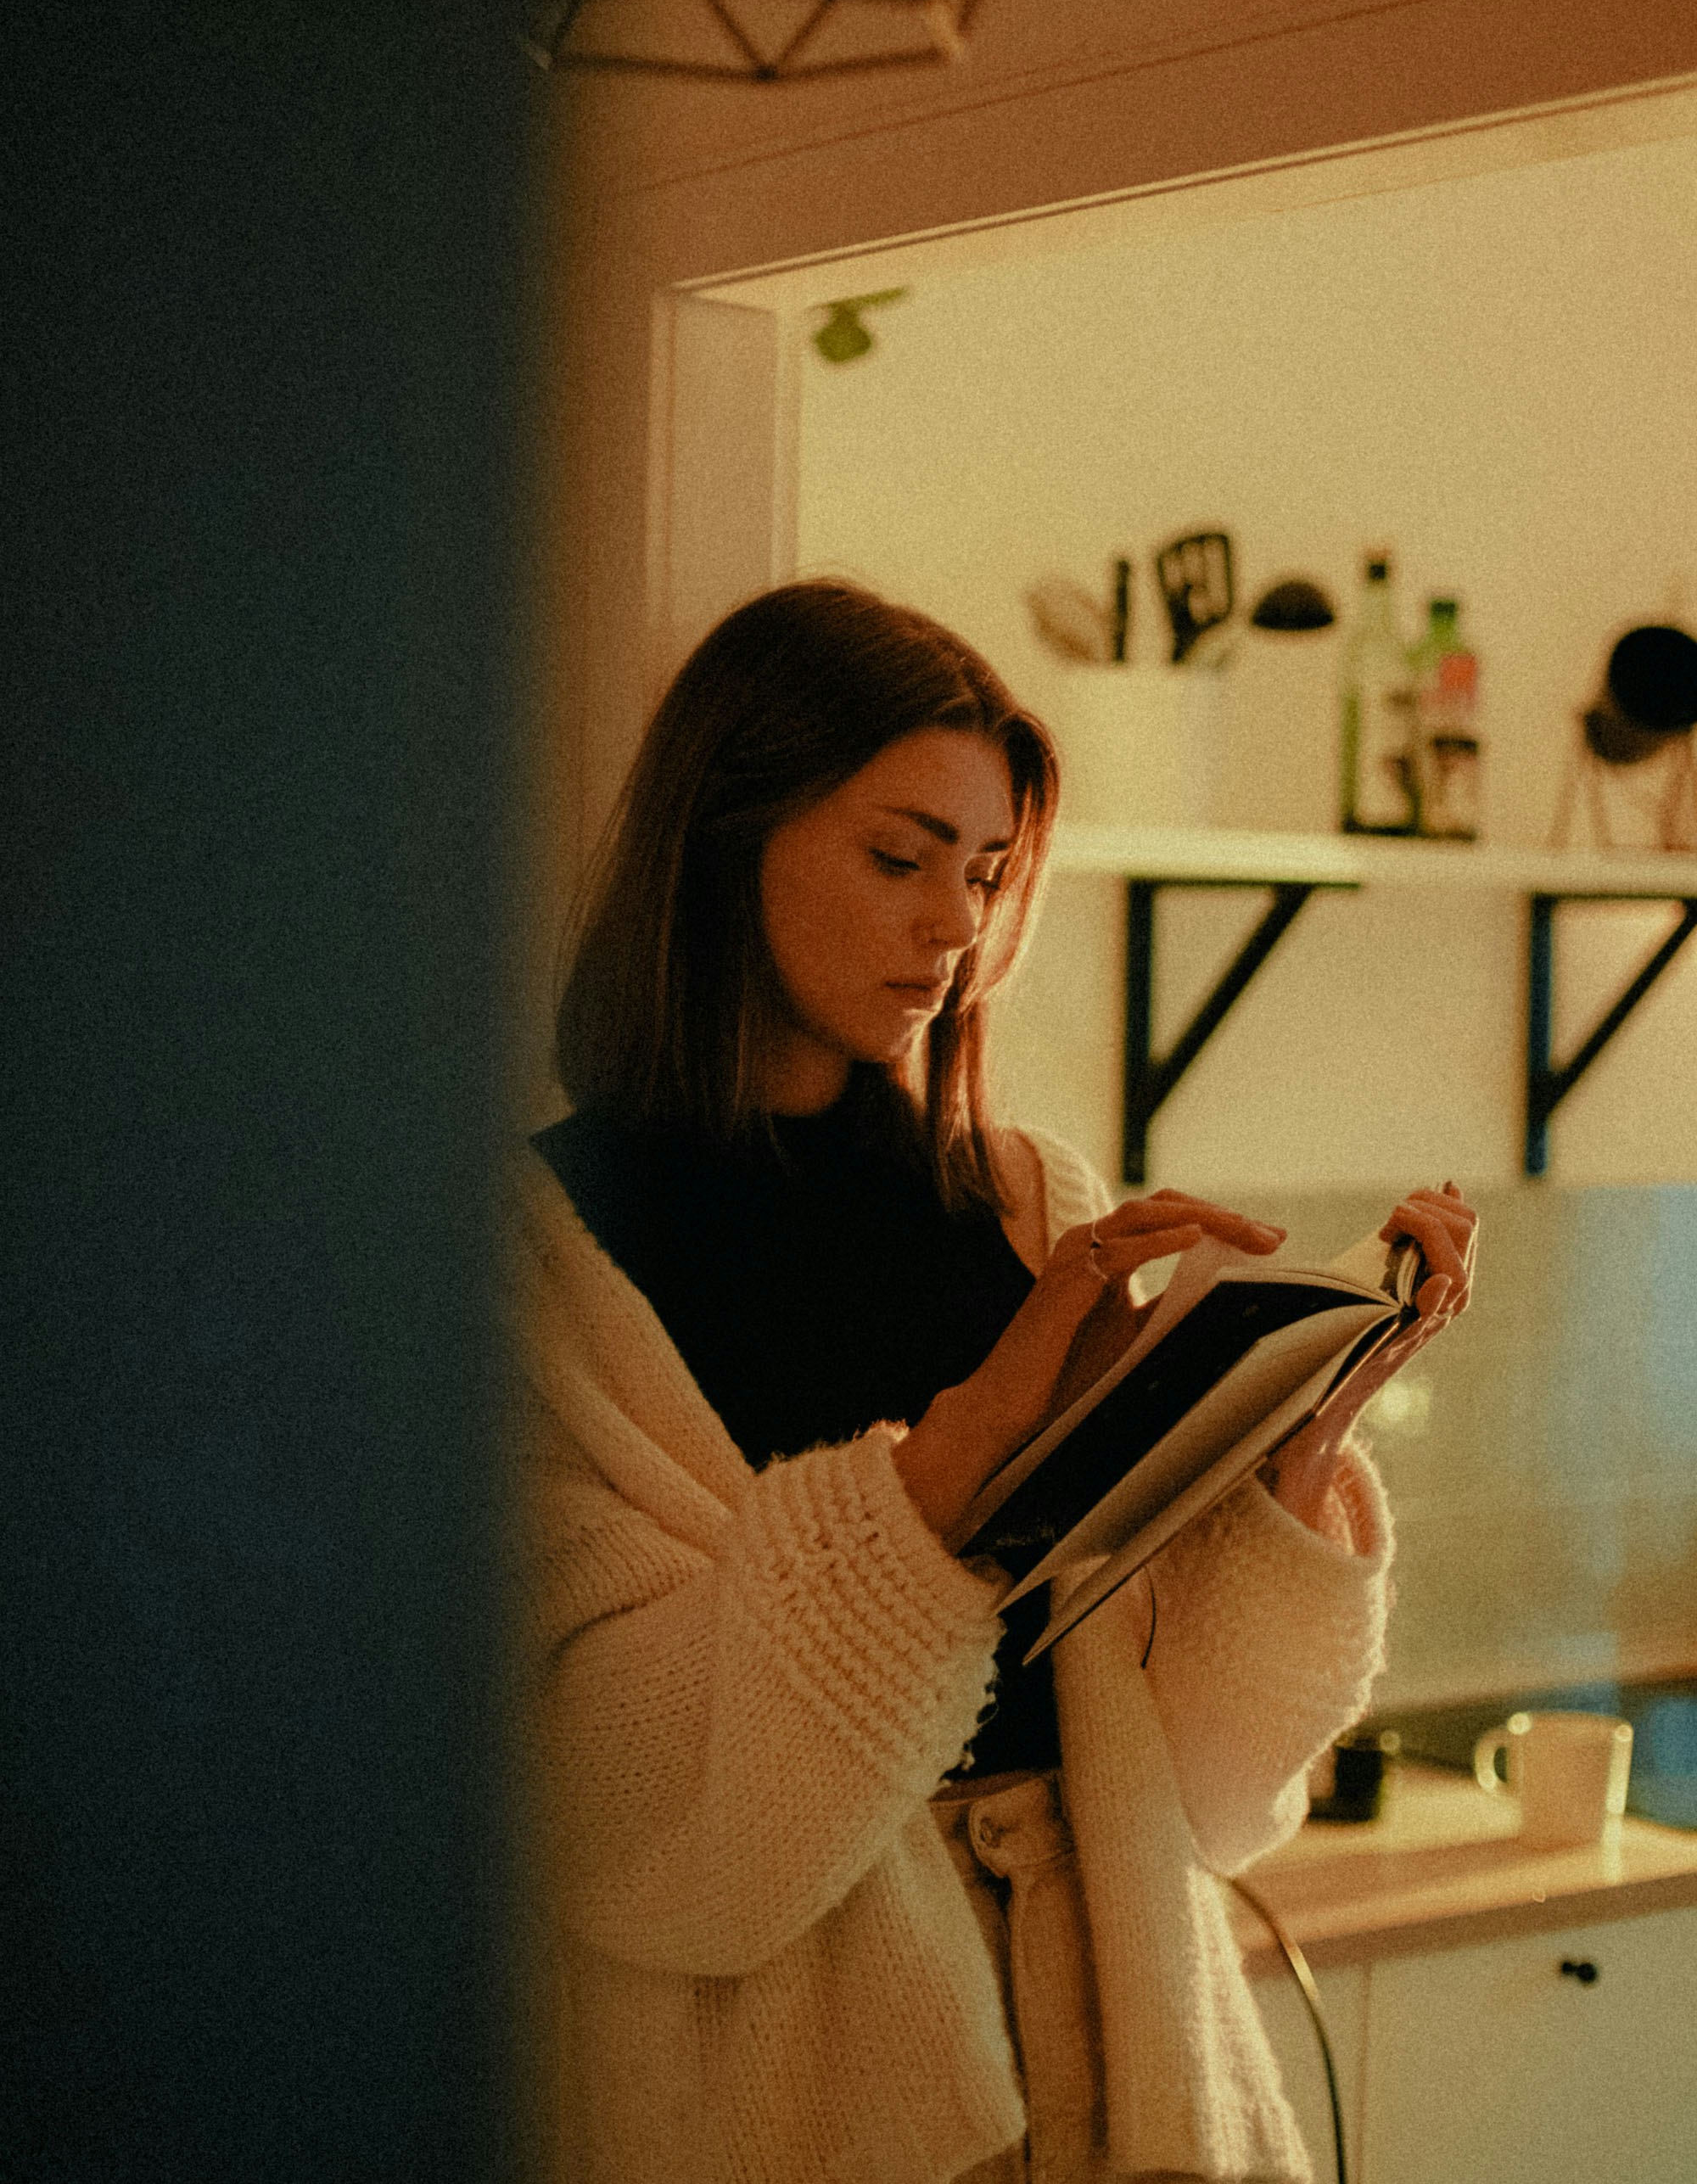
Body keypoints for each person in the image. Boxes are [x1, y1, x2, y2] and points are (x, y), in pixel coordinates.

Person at [510, 580, 1476, 2184]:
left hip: (1126, 2064)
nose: (957, 928)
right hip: (796, 2112)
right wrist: (957, 1461)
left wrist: (1289, 1453)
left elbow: (1208, 1797)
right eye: (900, 857)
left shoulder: (1034, 1208)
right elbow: (619, 1816)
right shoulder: (534, 1269)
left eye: (986, 871)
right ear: (722, 835)